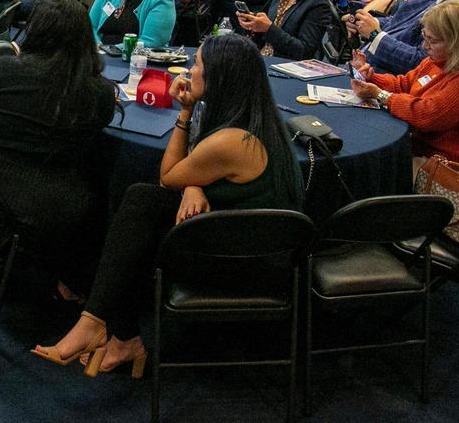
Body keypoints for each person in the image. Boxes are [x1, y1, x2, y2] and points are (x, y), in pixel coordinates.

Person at [32, 34, 304, 375]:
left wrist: (185, 112)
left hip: (243, 263)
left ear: (219, 78)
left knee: (135, 220)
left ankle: (105, 326)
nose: (190, 72)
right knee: (140, 206)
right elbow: (192, 171)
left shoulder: (230, 140)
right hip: (252, 242)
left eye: (198, 66)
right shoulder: (256, 121)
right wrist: (194, 183)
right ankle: (113, 332)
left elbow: (168, 175)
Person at [0, 0, 116, 297]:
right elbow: (88, 144)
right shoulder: (98, 92)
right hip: (25, 219)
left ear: (34, 31)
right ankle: (71, 283)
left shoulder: (0, 68)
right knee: (100, 187)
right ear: (84, 39)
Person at [350, 0, 459, 191]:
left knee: (366, 174)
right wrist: (372, 78)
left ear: (457, 41)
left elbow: (428, 115)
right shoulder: (439, 60)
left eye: (433, 40)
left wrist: (382, 95)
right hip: (424, 150)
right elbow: (405, 84)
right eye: (425, 37)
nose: (425, 45)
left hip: (454, 168)